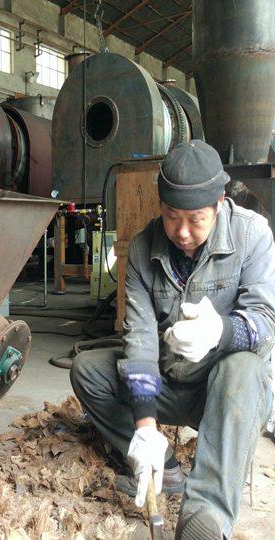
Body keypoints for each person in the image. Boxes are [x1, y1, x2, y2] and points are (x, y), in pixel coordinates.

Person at [71, 140, 275, 539]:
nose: (182, 232)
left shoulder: (253, 236)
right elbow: (141, 343)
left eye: (196, 219)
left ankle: (207, 515)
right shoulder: (145, 248)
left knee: (244, 366)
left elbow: (265, 320)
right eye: (171, 216)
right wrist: (146, 428)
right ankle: (163, 461)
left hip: (228, 393)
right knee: (89, 371)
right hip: (173, 381)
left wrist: (221, 332)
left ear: (218, 204)